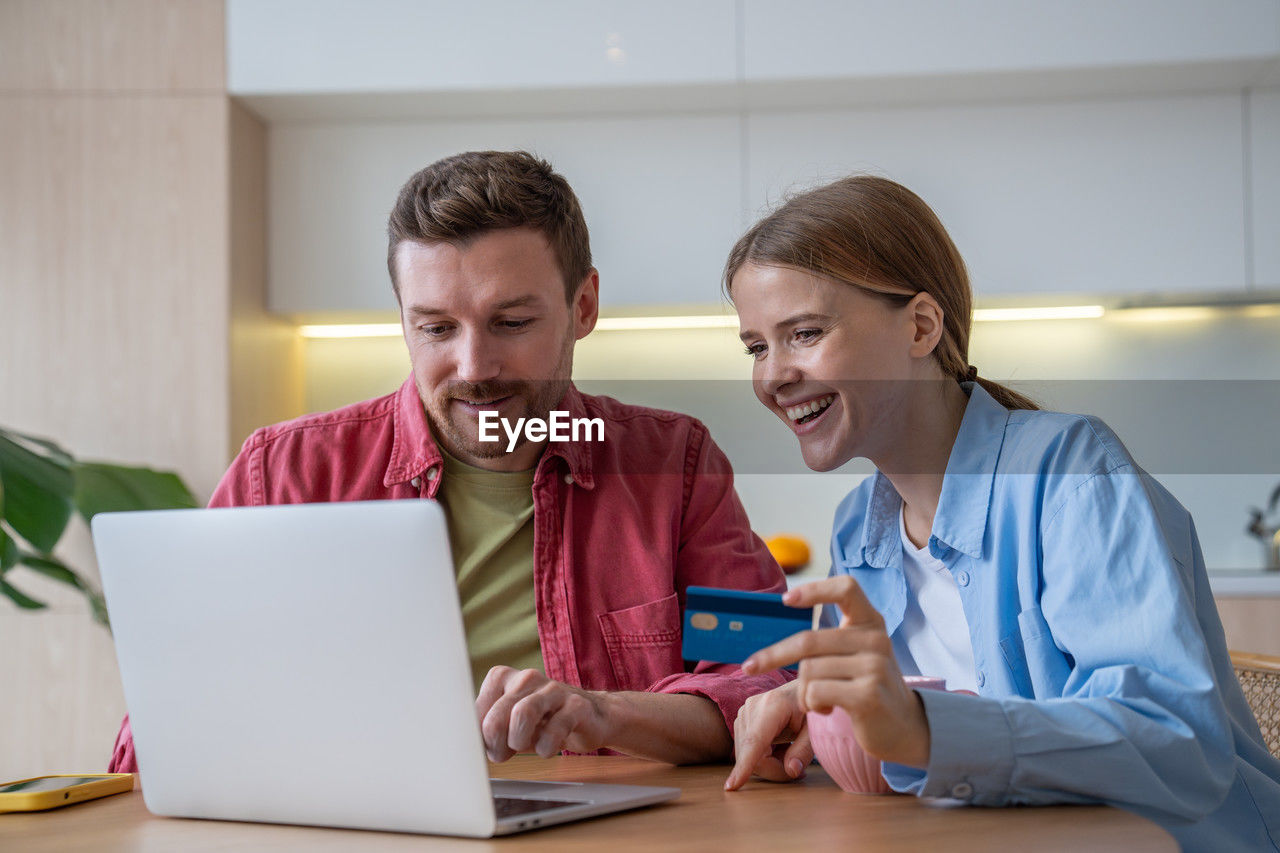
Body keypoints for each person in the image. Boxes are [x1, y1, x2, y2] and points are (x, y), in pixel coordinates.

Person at [107, 150, 790, 774]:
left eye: (512, 322)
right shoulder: (283, 473)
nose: (473, 366)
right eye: (436, 328)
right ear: (404, 319)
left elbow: (773, 676)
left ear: (583, 305)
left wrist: (605, 712)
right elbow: (160, 726)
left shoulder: (673, 462)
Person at [720, 175, 1280, 850]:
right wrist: (827, 717)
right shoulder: (857, 528)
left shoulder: (1071, 473)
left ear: (921, 326)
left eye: (803, 333)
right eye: (757, 346)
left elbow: (1176, 746)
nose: (772, 374)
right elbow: (904, 749)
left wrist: (925, 727)